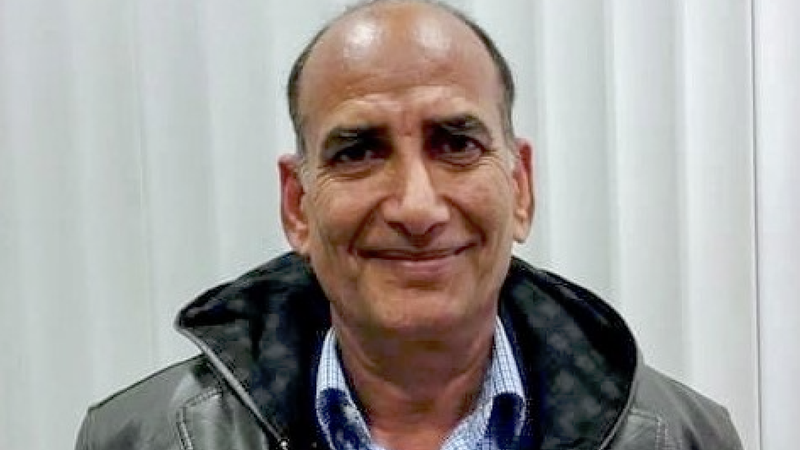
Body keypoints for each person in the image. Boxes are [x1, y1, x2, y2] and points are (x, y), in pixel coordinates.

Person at [75, 1, 743, 449]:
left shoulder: (686, 438)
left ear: (520, 187)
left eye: (456, 144)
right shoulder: (138, 438)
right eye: (358, 151)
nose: (417, 208)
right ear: (297, 205)